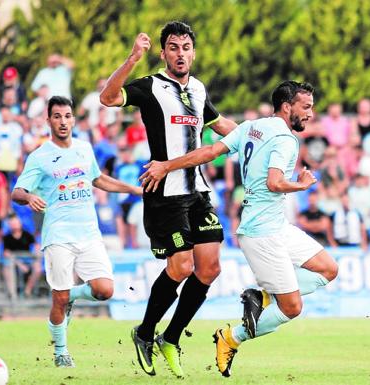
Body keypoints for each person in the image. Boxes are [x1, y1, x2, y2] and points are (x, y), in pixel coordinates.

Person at [141, 80, 338, 378]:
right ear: (287, 107)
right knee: (293, 308)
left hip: (276, 226)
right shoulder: (286, 139)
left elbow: (208, 152)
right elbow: (274, 182)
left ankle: (264, 298)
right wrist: (301, 184)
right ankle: (231, 338)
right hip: (262, 234)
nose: (311, 114)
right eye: (306, 107)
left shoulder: (251, 126)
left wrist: (168, 165)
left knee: (328, 269)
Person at [99, 21, 237, 378]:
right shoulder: (150, 87)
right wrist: (132, 59)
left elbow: (221, 126)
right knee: (182, 267)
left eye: (186, 47)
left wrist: (262, 136)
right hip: (166, 194)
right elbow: (108, 98)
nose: (180, 53)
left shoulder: (199, 89)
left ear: (193, 52)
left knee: (210, 268)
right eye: (173, 47)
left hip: (199, 191)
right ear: (163, 53)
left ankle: (170, 338)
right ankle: (145, 332)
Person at [11, 96, 143, 368]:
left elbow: (98, 179)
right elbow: (17, 191)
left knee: (105, 290)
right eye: (57, 116)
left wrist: (132, 189)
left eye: (67, 116)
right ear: (48, 121)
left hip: (89, 233)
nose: (63, 121)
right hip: (58, 234)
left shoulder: (84, 148)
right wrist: (29, 198)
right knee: (58, 297)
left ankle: (71, 295)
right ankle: (61, 352)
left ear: (73, 119)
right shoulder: (39, 156)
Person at [2, 214, 42, 299]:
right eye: (12, 223)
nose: (15, 225)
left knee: (38, 268)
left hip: (28, 260)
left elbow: (36, 245)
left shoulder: (27, 234)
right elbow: (6, 253)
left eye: (16, 223)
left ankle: (28, 290)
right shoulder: (7, 237)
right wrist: (20, 265)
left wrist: (36, 253)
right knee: (7, 268)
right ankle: (12, 294)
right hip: (14, 262)